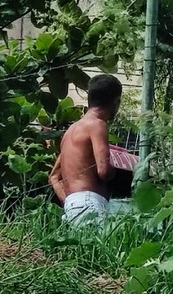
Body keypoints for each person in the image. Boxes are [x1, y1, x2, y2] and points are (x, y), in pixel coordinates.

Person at [49, 74, 123, 226]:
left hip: (73, 205)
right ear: (116, 101)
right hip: (90, 203)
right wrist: (119, 173)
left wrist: (70, 200)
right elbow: (104, 171)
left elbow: (54, 177)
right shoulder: (97, 125)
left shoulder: (70, 131)